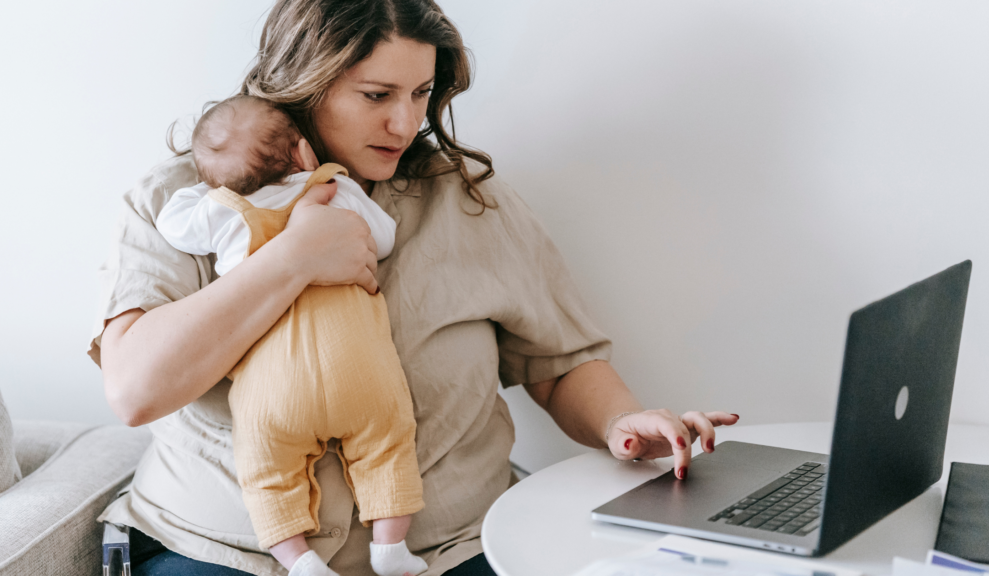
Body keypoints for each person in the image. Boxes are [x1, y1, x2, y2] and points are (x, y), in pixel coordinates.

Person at [91, 1, 739, 575]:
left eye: (421, 93)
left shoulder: (469, 203)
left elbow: (558, 363)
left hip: (451, 549)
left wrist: (620, 423)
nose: (404, 124)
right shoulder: (184, 202)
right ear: (303, 84)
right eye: (377, 95)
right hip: (225, 552)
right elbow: (136, 389)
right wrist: (292, 259)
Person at [154, 94, 427, 576]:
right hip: (359, 368)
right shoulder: (333, 187)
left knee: (266, 472)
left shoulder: (225, 211)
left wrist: (208, 188)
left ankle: (298, 561)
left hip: (273, 387)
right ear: (303, 153)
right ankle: (389, 548)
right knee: (389, 444)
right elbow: (382, 237)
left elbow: (173, 224)